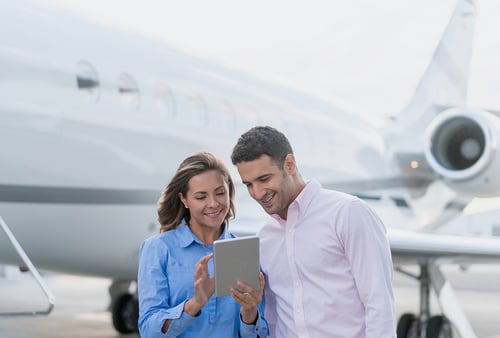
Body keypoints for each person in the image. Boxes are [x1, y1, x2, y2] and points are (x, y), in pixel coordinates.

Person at [230, 126, 396, 338]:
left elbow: (379, 302)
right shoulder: (265, 237)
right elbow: (272, 318)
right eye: (249, 185)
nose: (258, 192)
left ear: (289, 164)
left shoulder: (348, 213)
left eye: (264, 179)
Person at [138, 151, 269, 338]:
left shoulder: (246, 251)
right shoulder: (158, 249)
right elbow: (149, 332)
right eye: (201, 197)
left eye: (220, 193)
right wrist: (195, 303)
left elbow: (258, 334)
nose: (214, 204)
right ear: (184, 199)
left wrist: (249, 312)